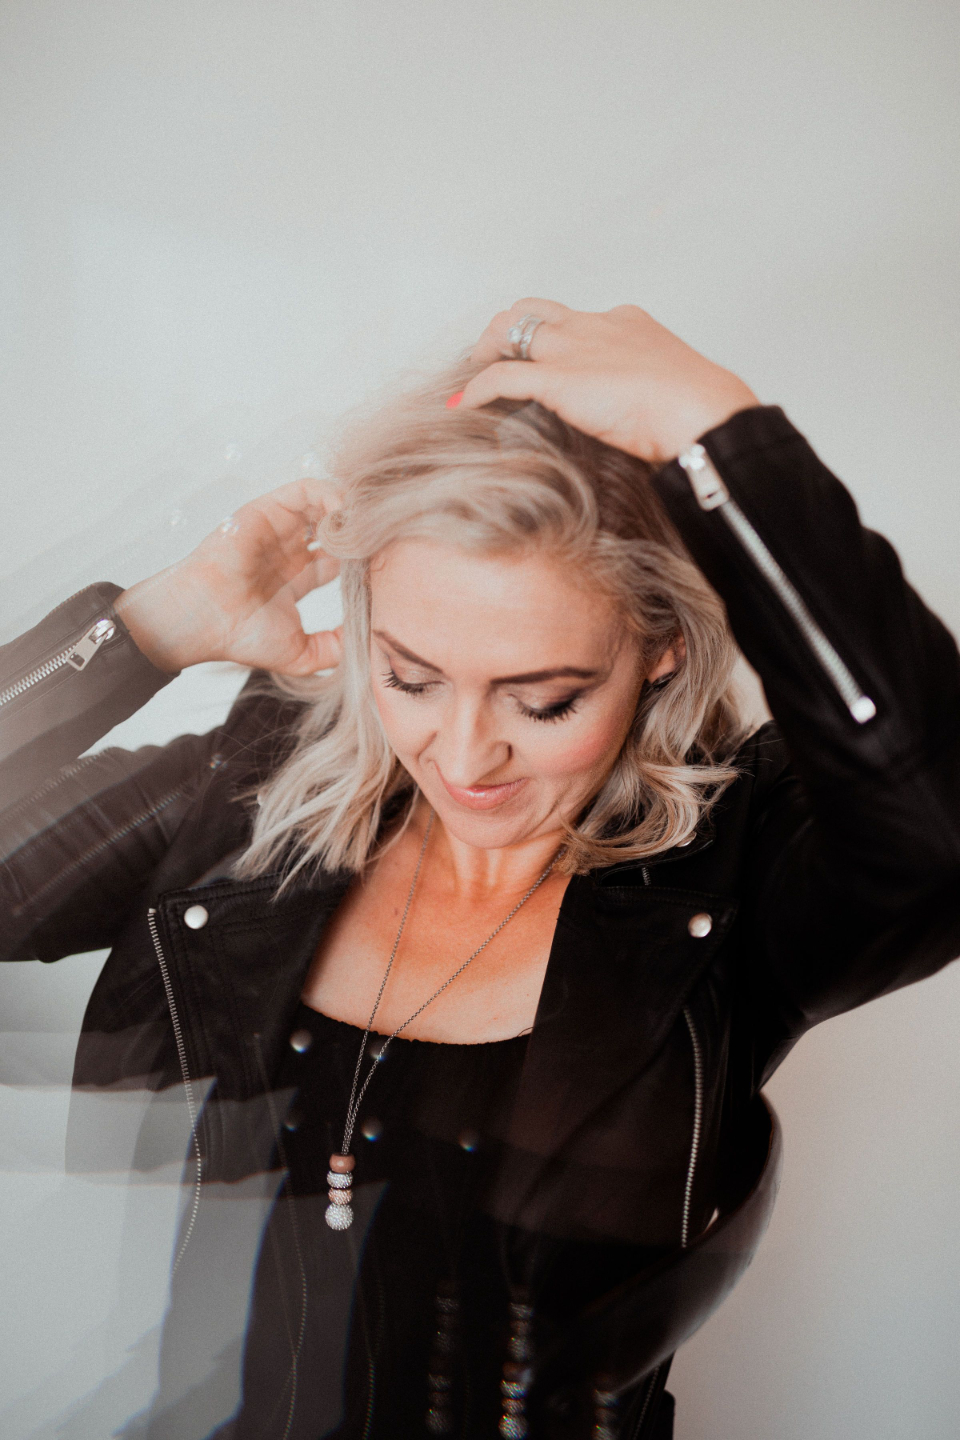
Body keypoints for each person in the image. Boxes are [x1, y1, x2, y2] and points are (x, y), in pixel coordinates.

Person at [2, 301, 959, 1440]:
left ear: (660, 648)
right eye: (411, 678)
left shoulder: (732, 883)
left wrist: (716, 429)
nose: (463, 757)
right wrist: (148, 632)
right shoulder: (250, 791)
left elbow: (936, 829)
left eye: (543, 701)